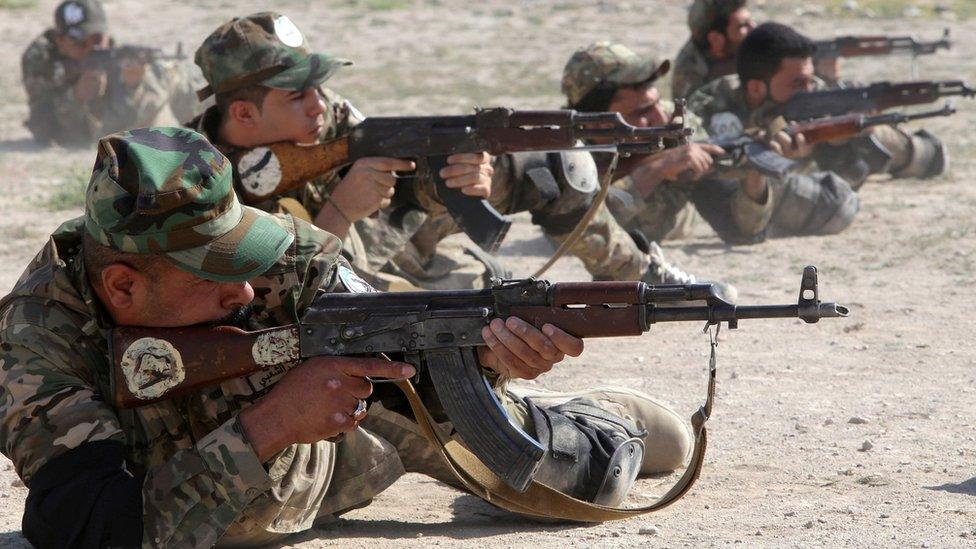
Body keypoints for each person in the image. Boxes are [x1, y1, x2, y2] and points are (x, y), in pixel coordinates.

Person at [0, 127, 693, 547]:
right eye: (216, 275)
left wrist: (484, 354)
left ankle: (603, 415)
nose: (243, 290)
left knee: (580, 476)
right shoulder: (34, 342)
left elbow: (405, 343)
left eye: (242, 256)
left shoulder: (287, 257)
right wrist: (272, 421)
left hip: (340, 440)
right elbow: (86, 529)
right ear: (122, 286)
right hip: (262, 445)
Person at [189, 12, 727, 294]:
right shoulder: (198, 187)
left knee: (560, 165)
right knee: (481, 294)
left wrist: (456, 175)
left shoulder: (325, 116)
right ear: (243, 116)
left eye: (318, 87)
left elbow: (397, 179)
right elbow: (279, 294)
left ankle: (636, 271)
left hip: (382, 235)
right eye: (298, 94)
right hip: (325, 284)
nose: (319, 103)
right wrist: (341, 212)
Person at [690, 23, 948, 197]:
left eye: (810, 79)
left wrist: (838, 144)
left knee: (876, 134)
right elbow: (707, 173)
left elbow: (851, 178)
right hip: (768, 197)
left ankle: (924, 154)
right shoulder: (712, 104)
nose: (809, 89)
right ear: (756, 88)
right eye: (797, 83)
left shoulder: (818, 96)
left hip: (843, 158)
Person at [562, 42, 773, 245]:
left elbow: (743, 232)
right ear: (597, 122)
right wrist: (655, 170)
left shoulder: (679, 126)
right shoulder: (563, 147)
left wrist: (755, 172)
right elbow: (576, 233)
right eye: (641, 112)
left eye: (656, 102)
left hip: (681, 221)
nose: (660, 116)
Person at [20, 0, 204, 146]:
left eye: (98, 38)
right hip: (68, 128)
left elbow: (122, 126)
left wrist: (133, 87)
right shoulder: (40, 58)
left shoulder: (114, 55)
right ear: (60, 41)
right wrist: (75, 96)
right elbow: (43, 125)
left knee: (172, 76)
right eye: (81, 43)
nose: (93, 47)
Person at [671, 0, 755, 100]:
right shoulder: (690, 76)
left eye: (750, 21)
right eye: (742, 26)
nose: (754, 27)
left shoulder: (747, 45)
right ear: (715, 40)